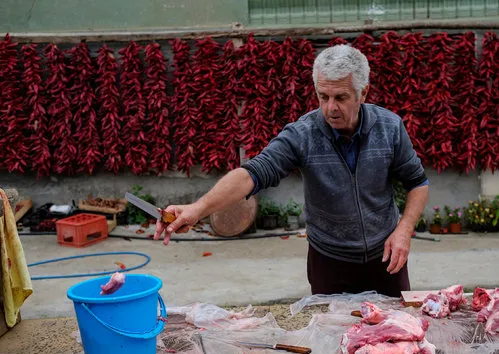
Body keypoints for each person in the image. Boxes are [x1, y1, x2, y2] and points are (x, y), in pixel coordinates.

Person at [154, 44, 429, 297]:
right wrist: (198, 209)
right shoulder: (303, 134)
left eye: (341, 97)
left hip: (386, 258)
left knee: (397, 340)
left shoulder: (389, 127)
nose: (330, 108)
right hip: (329, 262)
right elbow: (252, 173)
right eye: (323, 96)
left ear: (363, 93)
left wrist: (403, 230)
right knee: (334, 339)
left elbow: (418, 182)